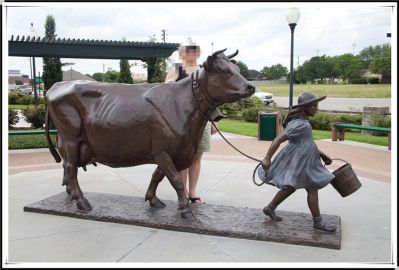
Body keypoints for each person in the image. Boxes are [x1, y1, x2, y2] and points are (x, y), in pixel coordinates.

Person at [258, 91, 336, 232]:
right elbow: (279, 139)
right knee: (312, 188)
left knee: (291, 186)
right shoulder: (298, 124)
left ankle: (270, 208)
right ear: (305, 107)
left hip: (305, 161)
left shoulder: (303, 123)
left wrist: (323, 155)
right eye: (314, 106)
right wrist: (267, 157)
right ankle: (318, 222)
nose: (316, 108)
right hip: (301, 162)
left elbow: (308, 142)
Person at [165, 38, 217, 204]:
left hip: (202, 120)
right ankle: (184, 192)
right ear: (182, 52)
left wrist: (214, 120)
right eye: (188, 49)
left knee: (197, 156)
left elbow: (212, 97)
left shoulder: (204, 70)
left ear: (198, 51)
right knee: (184, 158)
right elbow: (167, 93)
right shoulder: (176, 69)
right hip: (182, 121)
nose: (191, 52)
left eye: (194, 49)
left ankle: (193, 192)